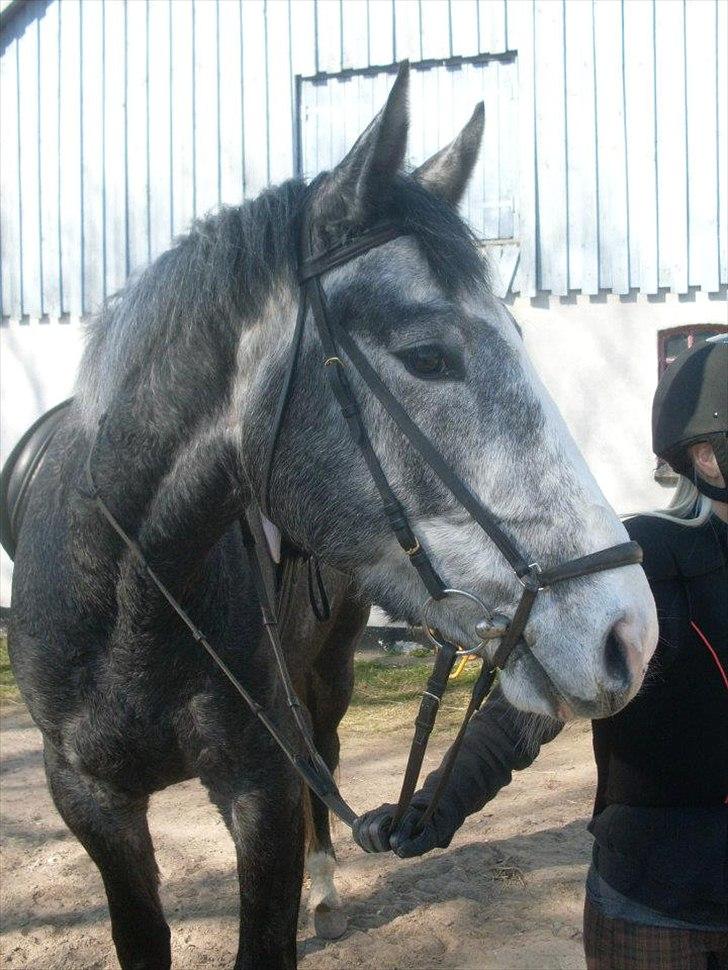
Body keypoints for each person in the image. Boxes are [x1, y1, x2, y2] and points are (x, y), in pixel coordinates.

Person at [354, 335, 728, 969]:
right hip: (657, 903)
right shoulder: (639, 566)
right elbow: (524, 717)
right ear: (706, 457)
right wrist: (433, 809)